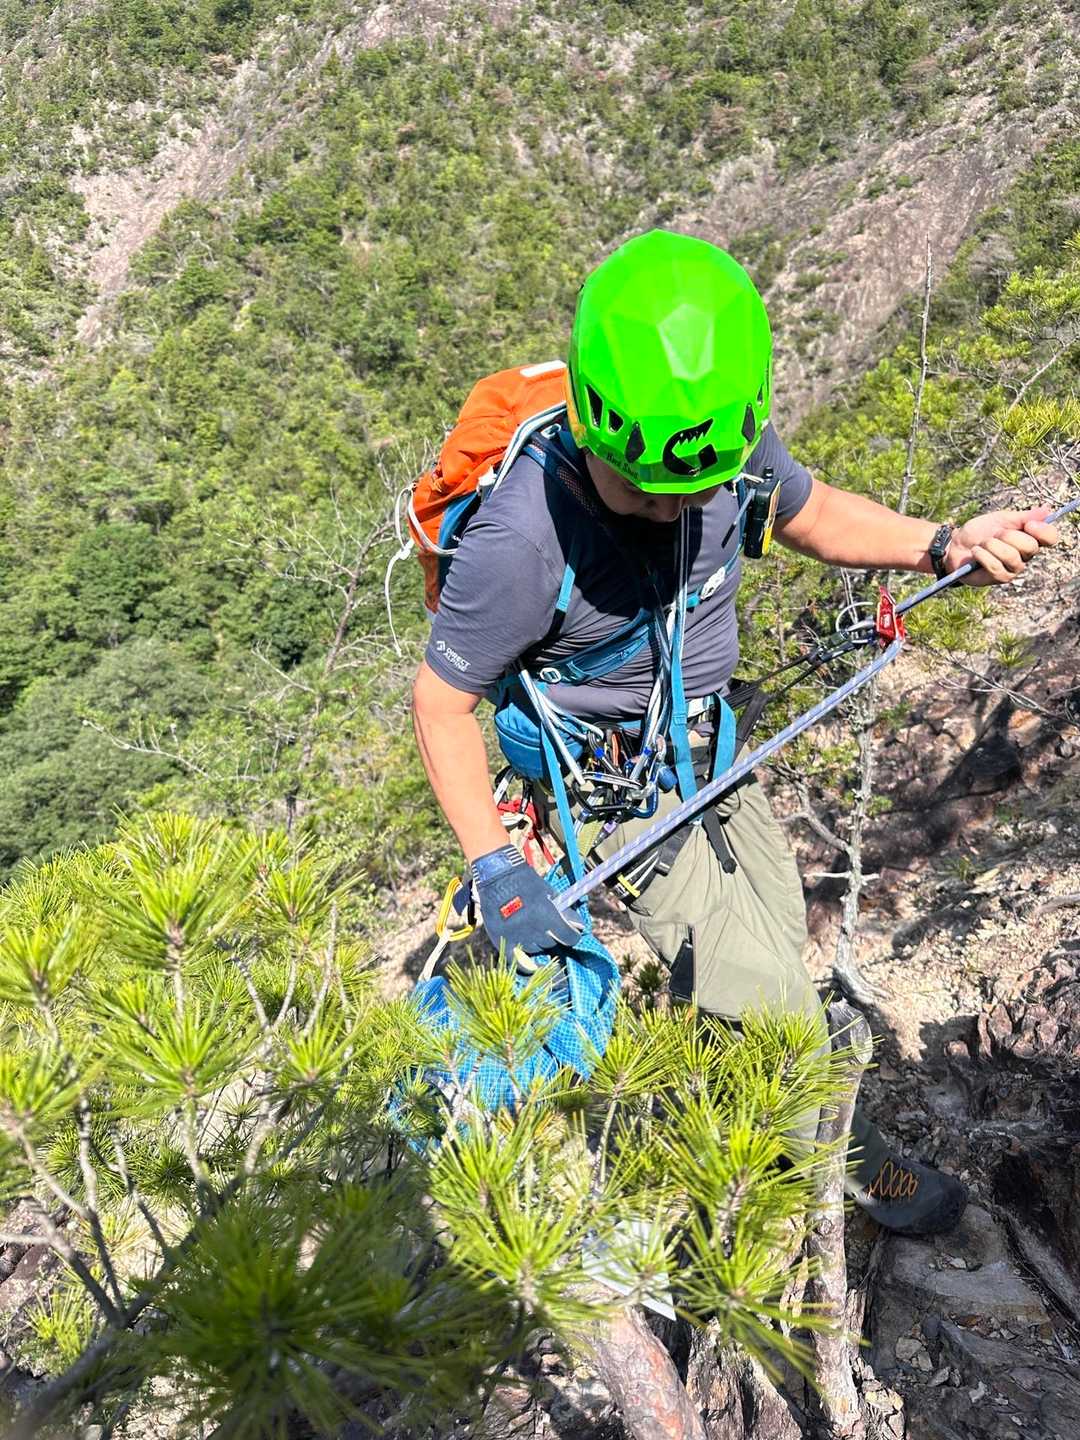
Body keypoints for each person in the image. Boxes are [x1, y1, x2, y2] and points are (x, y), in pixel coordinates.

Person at [411, 229, 1059, 1234]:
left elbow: (809, 512)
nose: (671, 508)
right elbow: (441, 701)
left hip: (715, 753)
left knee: (772, 945)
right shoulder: (523, 540)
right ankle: (845, 1168)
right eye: (644, 490)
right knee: (777, 1006)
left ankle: (733, 1106)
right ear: (591, 425)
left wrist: (941, 545)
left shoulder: (713, 438)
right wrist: (496, 867)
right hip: (616, 794)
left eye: (691, 490)